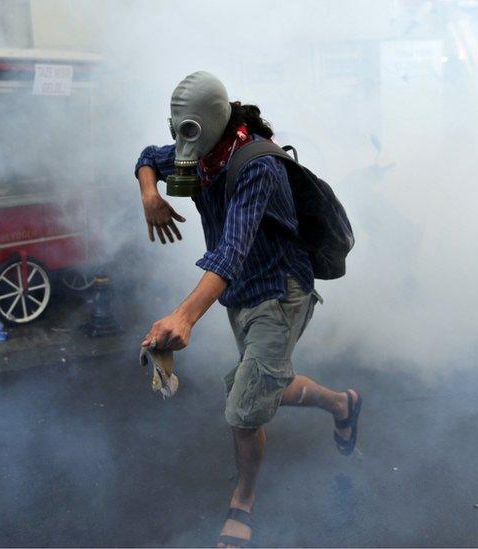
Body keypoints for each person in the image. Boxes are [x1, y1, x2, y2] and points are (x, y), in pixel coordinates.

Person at [134, 71, 362, 548]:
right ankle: (342, 403)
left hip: (280, 293)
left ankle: (243, 498)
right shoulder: (196, 154)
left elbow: (230, 252)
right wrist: (150, 195)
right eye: (176, 129)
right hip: (240, 295)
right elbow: (147, 158)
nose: (180, 143)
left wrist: (183, 317)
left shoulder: (257, 165)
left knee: (242, 411)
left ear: (214, 121)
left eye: (189, 131)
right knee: (263, 384)